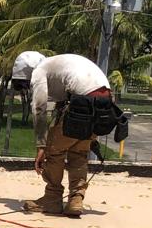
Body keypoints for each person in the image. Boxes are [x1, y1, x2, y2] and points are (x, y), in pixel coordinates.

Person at [30, 52, 113, 218]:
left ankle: (52, 200)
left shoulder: (38, 70)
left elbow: (39, 108)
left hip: (82, 104)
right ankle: (76, 200)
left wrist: (41, 145)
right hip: (105, 104)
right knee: (79, 152)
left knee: (54, 151)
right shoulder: (60, 64)